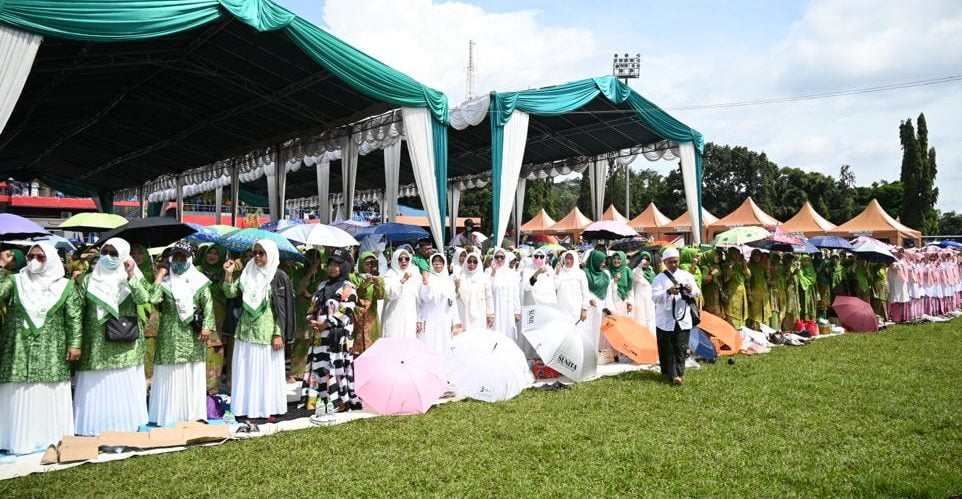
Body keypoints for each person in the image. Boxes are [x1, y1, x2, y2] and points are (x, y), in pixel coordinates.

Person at [0, 242, 82, 454]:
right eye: (30, 257)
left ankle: (51, 439)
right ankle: (17, 440)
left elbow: (73, 317)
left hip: (52, 348)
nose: (34, 261)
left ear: (52, 260)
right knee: (18, 391)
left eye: (40, 257)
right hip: (19, 347)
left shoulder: (65, 286)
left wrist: (75, 343)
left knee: (49, 389)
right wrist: (2, 266)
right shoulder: (16, 280)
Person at [74, 238, 151, 436]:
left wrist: (131, 274)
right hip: (95, 343)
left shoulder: (131, 277)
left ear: (124, 256)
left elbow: (143, 299)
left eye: (114, 253)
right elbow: (76, 312)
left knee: (122, 382)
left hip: (124, 343)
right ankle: (94, 427)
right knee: (97, 384)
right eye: (105, 252)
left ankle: (124, 425)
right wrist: (76, 342)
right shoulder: (88, 279)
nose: (108, 257)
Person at [222, 239, 293, 420]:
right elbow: (230, 293)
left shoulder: (278, 276)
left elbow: (281, 309)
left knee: (265, 374)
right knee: (246, 371)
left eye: (262, 253)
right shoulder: (247, 273)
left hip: (267, 334)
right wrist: (228, 275)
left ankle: (266, 408)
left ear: (271, 254)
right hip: (245, 332)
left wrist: (279, 333)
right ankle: (246, 407)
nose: (257, 257)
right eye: (255, 253)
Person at [148, 243, 215, 426]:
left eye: (182, 258)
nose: (179, 261)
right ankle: (170, 414)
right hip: (170, 336)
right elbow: (153, 299)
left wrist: (207, 327)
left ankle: (191, 414)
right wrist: (160, 275)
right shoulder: (166, 284)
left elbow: (208, 306)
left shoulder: (199, 281)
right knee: (170, 373)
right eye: (175, 258)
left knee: (191, 371)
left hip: (193, 336)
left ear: (189, 259)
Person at [303, 248, 361, 414]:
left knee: (336, 368)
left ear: (344, 266)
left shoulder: (348, 287)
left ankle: (338, 401)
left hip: (338, 338)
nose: (332, 268)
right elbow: (313, 306)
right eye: (330, 264)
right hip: (319, 336)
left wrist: (326, 324)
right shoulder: (322, 285)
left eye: (337, 264)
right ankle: (318, 400)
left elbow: (346, 312)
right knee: (320, 367)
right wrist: (311, 320)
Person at [650, 247, 700, 386]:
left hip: (683, 317)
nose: (674, 264)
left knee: (681, 347)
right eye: (670, 262)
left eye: (676, 262)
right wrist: (668, 292)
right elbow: (654, 297)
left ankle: (678, 374)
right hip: (665, 319)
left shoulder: (686, 275)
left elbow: (697, 291)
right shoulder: (659, 279)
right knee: (667, 347)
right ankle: (668, 372)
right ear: (665, 262)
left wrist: (691, 290)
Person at [418, 253, 461, 354]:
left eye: (440, 263)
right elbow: (426, 297)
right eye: (435, 264)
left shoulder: (449, 280)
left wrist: (456, 321)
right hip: (431, 318)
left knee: (445, 344)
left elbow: (453, 302)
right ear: (431, 265)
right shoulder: (428, 278)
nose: (438, 266)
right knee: (431, 344)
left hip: (445, 318)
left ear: (444, 264)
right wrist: (426, 284)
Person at [349, 251, 385, 354]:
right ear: (361, 264)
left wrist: (378, 284)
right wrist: (365, 284)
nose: (370, 265)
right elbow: (354, 294)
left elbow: (381, 296)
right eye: (367, 263)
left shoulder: (379, 278)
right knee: (356, 345)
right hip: (357, 315)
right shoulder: (353, 277)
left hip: (371, 314)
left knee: (372, 345)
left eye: (372, 263)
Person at [382, 247, 420, 338]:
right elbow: (390, 294)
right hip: (394, 316)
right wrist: (402, 280)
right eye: (400, 259)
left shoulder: (414, 273)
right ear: (395, 260)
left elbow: (417, 300)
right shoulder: (390, 274)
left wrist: (418, 319)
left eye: (406, 259)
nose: (404, 261)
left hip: (409, 316)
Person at [582, 250, 612, 356]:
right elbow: (582, 289)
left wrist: (608, 307)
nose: (603, 264)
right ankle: (585, 356)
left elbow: (608, 292)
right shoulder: (584, 273)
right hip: (587, 307)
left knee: (596, 332)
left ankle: (594, 355)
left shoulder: (605, 275)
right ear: (594, 260)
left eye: (604, 262)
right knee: (586, 331)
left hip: (600, 307)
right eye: (601, 262)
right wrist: (590, 298)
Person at [455, 251, 494, 331]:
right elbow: (455, 297)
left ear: (478, 263)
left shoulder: (484, 278)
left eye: (474, 262)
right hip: (464, 313)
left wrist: (490, 314)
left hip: (480, 312)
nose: (471, 264)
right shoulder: (459, 277)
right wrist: (456, 288)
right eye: (469, 261)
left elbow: (488, 297)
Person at [489, 248, 522, 342]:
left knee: (508, 331)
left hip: (508, 309)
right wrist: (493, 273)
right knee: (496, 331)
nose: (499, 259)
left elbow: (515, 293)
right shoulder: (489, 272)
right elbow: (488, 290)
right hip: (495, 308)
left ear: (505, 258)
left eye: (502, 257)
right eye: (497, 257)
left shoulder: (512, 274)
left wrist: (517, 311)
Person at [555, 250, 589, 325]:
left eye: (571, 258)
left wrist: (584, 309)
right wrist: (557, 274)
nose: (568, 260)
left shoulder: (581, 274)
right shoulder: (560, 272)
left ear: (575, 260)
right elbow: (555, 287)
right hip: (562, 307)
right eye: (567, 258)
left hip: (576, 308)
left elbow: (585, 292)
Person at [630, 253, 657, 335]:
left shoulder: (652, 273)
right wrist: (640, 266)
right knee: (640, 321)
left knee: (650, 322)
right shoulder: (636, 271)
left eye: (647, 259)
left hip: (649, 302)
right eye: (643, 258)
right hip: (639, 302)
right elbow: (635, 277)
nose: (645, 261)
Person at [746, 250, 771, 329]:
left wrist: (767, 268)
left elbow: (767, 278)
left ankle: (765, 333)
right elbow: (747, 282)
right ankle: (755, 332)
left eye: (758, 255)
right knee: (755, 315)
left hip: (764, 295)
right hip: (755, 296)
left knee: (765, 314)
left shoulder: (762, 266)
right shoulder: (749, 266)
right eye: (755, 255)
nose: (757, 257)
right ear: (752, 256)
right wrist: (749, 295)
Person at [608, 251, 634, 316]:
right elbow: (604, 287)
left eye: (619, 259)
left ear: (622, 259)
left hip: (624, 300)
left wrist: (630, 303)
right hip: (611, 301)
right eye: (614, 258)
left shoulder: (627, 270)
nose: (616, 261)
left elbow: (630, 288)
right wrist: (614, 280)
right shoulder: (607, 270)